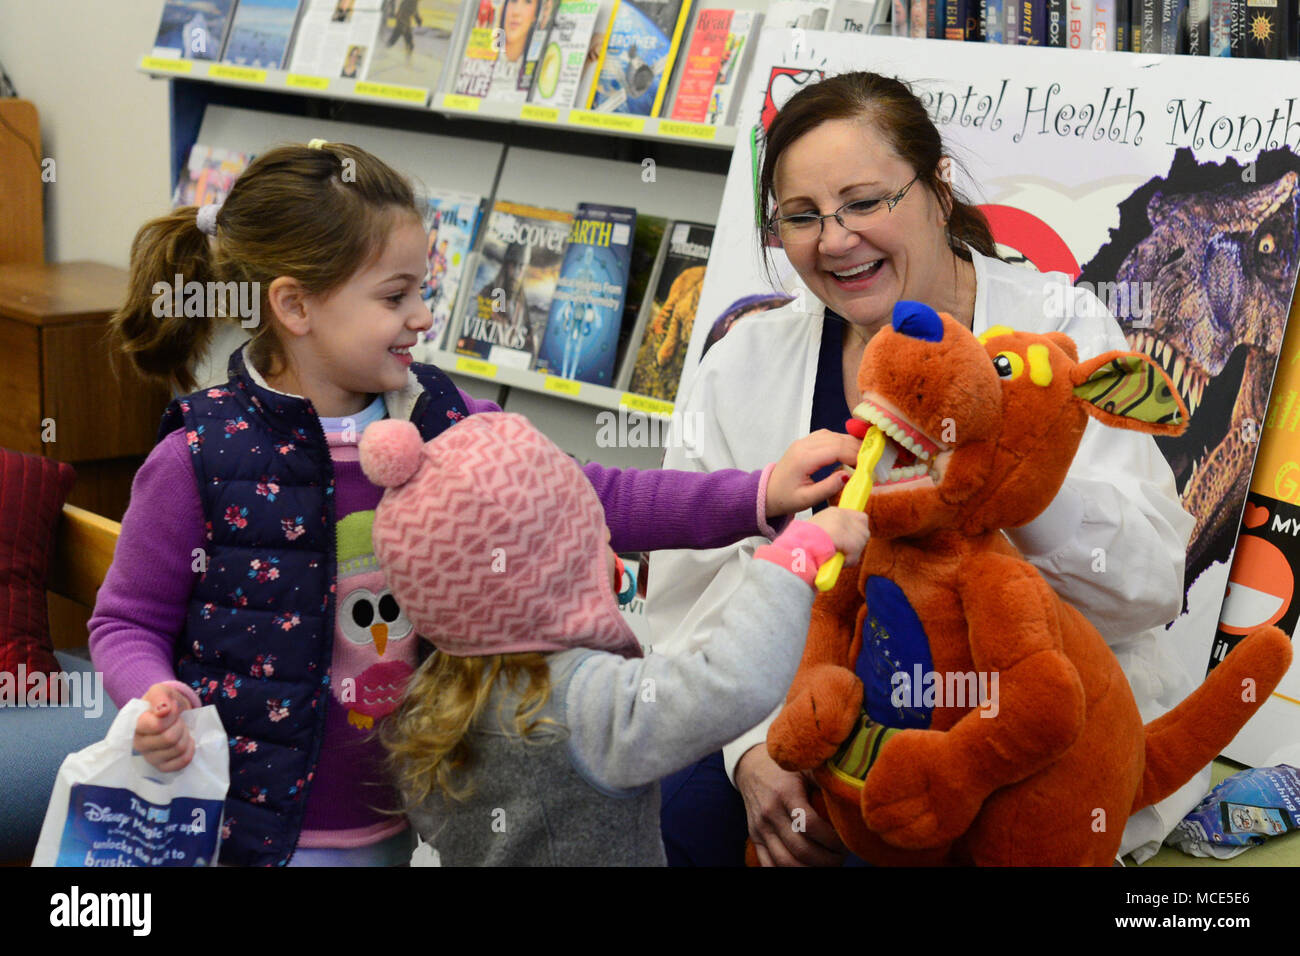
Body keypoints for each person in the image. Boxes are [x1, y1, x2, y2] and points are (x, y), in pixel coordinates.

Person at [90, 140, 863, 867]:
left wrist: (759, 491)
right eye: (396, 296)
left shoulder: (436, 412)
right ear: (295, 307)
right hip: (236, 821)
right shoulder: (199, 457)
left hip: (392, 820)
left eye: (422, 290)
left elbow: (588, 494)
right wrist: (152, 695)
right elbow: (125, 619)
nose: (423, 316)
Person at [647, 71, 1200, 867]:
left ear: (937, 187)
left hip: (1015, 750)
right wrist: (753, 754)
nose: (834, 240)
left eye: (865, 203)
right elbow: (688, 598)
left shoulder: (1057, 333)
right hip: (811, 726)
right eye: (802, 217)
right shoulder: (746, 364)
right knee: (681, 818)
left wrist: (1009, 477)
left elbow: (1151, 584)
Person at [362, 412, 871, 865]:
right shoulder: (582, 703)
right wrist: (795, 557)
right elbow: (730, 683)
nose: (608, 545)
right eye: (593, 535)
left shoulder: (430, 709)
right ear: (553, 574)